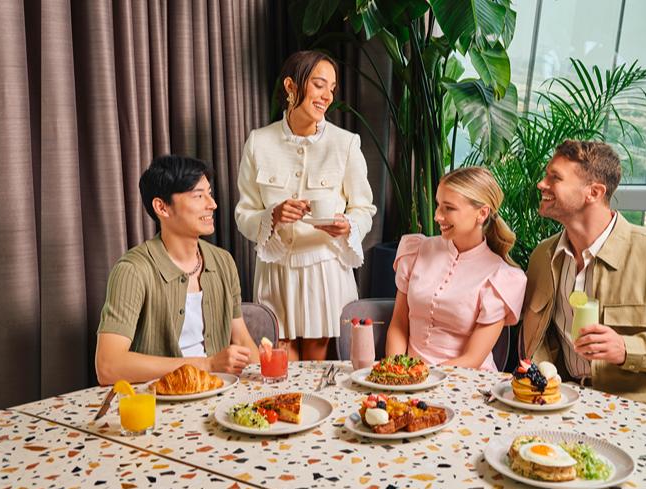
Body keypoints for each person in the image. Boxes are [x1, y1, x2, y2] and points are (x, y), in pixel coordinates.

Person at [520, 140, 646, 423]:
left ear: (594, 192)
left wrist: (627, 349)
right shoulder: (543, 257)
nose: (541, 184)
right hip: (568, 406)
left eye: (555, 177)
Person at [235, 50, 376, 361]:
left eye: (332, 89)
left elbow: (364, 208)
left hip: (324, 271)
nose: (327, 96)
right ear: (291, 86)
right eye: (319, 85)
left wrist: (348, 226)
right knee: (279, 368)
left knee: (316, 369)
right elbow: (244, 213)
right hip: (276, 271)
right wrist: (271, 217)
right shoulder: (259, 142)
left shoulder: (345, 143)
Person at [95, 155, 259, 385]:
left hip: (220, 392)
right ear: (162, 207)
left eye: (209, 193)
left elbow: (241, 340)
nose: (212, 204)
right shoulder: (132, 270)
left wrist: (270, 379)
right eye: (198, 196)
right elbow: (108, 366)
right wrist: (207, 365)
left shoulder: (223, 261)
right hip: (158, 400)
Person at [385, 167, 527, 370]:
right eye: (438, 205)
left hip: (466, 381)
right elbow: (399, 324)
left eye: (449, 208)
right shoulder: (416, 250)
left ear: (482, 213)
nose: (437, 216)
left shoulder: (501, 277)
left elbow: (472, 359)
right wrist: (396, 372)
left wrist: (421, 376)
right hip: (411, 378)